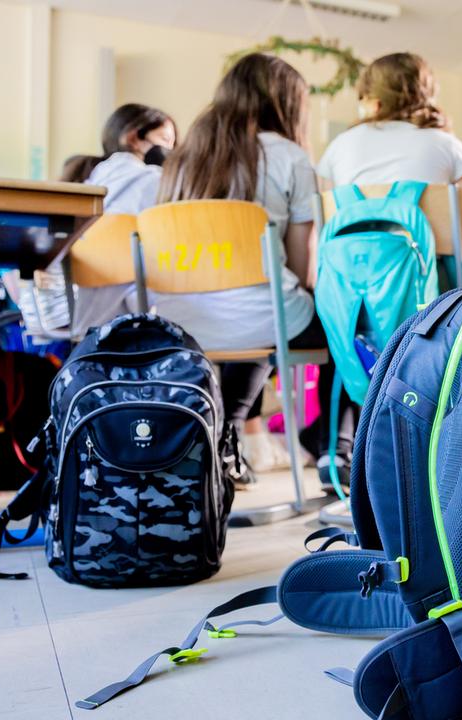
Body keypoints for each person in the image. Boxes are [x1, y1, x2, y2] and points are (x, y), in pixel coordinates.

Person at [154, 54, 343, 482]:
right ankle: (333, 447)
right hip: (263, 315)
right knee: (341, 325)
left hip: (180, 318)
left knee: (256, 314)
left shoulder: (183, 157)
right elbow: (300, 267)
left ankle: (225, 434)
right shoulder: (291, 157)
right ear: (285, 105)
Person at [317, 51, 462, 263]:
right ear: (426, 95)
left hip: (351, 277)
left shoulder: (338, 147)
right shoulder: (449, 146)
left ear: (369, 96)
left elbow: (322, 237)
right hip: (430, 280)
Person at [57, 104, 178, 334]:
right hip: (146, 317)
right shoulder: (156, 180)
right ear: (133, 138)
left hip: (84, 320)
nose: (171, 150)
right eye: (165, 140)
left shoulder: (88, 182)